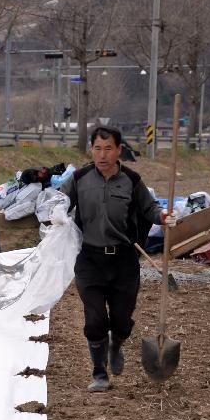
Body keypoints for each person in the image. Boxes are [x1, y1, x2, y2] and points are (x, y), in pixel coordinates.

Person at [59, 126, 175, 393]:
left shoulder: (132, 181)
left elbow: (150, 207)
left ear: (119, 149)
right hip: (89, 259)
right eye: (97, 148)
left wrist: (163, 217)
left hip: (123, 261)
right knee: (95, 318)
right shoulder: (80, 178)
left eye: (108, 148)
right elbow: (58, 200)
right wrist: (54, 211)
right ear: (91, 150)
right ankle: (99, 373)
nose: (102, 155)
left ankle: (116, 344)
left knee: (122, 321)